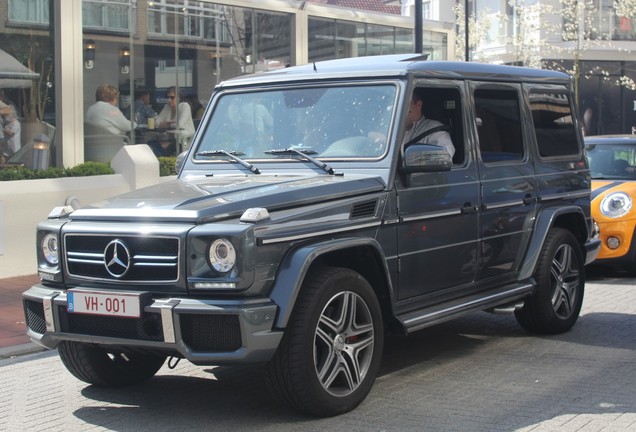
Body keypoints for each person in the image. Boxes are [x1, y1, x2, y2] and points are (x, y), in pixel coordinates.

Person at [403, 87, 454, 158]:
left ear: (419, 105)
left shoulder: (434, 129)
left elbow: (445, 156)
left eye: (404, 103)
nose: (399, 108)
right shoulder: (388, 130)